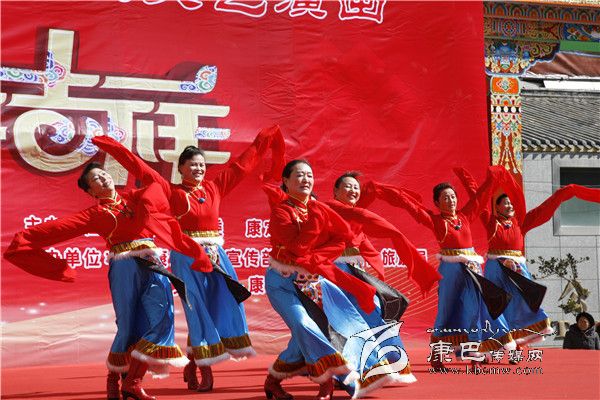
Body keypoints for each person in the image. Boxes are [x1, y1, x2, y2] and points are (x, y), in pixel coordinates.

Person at [92, 125, 284, 392]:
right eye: (193, 165)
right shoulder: (172, 192)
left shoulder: (215, 187)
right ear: (181, 168)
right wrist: (114, 147)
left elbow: (242, 166)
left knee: (224, 306)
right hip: (187, 257)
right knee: (197, 309)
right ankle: (204, 369)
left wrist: (264, 139)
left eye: (202, 165)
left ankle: (192, 364)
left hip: (216, 256)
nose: (198, 169)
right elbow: (142, 169)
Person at [4, 163, 213, 400]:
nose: (103, 178)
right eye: (96, 179)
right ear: (91, 192)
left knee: (163, 319)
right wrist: (23, 240)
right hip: (124, 268)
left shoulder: (134, 199)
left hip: (152, 264)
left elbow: (157, 184)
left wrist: (143, 191)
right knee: (127, 326)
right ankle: (114, 379)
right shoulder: (94, 214)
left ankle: (132, 383)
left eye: (103, 174)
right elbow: (56, 229)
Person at [264, 159, 412, 400]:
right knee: (303, 325)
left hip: (312, 281)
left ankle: (274, 381)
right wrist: (316, 220)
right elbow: (298, 248)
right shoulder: (282, 211)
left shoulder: (319, 209)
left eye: (309, 175)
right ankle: (329, 382)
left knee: (333, 328)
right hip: (282, 282)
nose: (305, 179)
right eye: (299, 175)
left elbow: (341, 239)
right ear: (286, 181)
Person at [370, 167, 516, 368]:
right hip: (450, 270)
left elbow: (480, 198)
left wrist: (492, 179)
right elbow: (410, 206)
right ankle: (437, 355)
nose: (451, 200)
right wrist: (384, 191)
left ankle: (474, 354)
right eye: (445, 198)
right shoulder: (436, 221)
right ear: (437, 203)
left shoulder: (465, 217)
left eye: (453, 197)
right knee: (446, 312)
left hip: (472, 269)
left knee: (475, 310)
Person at [323, 171, 443, 395]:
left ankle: (392, 362)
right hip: (334, 274)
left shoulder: (356, 216)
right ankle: (349, 372)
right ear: (335, 191)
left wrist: (379, 271)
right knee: (343, 324)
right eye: (347, 186)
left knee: (374, 317)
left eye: (356, 188)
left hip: (354, 273)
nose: (353, 190)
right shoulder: (329, 208)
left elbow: (364, 244)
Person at [455, 168, 600, 347]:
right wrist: (465, 176)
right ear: (497, 207)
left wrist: (565, 193)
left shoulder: (520, 224)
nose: (510, 206)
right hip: (496, 269)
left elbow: (545, 209)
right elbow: (477, 196)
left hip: (517, 271)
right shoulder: (492, 222)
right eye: (505, 203)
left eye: (511, 203)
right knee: (494, 307)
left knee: (522, 307)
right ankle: (488, 345)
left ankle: (517, 344)